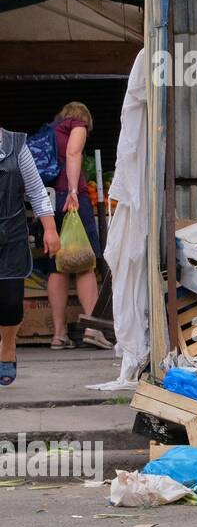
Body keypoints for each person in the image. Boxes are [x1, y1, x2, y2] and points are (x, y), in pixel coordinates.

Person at [45, 102, 112, 350]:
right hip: (70, 198)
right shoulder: (77, 124)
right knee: (85, 263)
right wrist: (73, 191)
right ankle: (94, 329)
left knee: (57, 265)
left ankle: (59, 334)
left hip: (48, 201)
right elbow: (74, 153)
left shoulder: (50, 130)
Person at [0, 127, 60, 385]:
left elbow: (36, 190)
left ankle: (8, 346)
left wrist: (50, 228)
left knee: (11, 302)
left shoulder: (16, 143)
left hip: (11, 235)